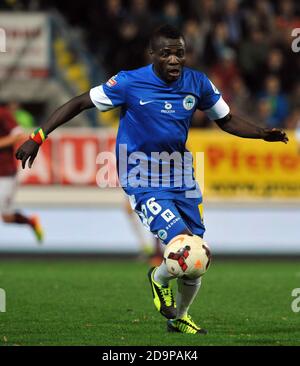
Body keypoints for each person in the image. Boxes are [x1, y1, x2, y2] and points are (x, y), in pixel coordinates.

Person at [15, 25, 288, 334]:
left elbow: (225, 120)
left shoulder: (197, 83)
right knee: (185, 245)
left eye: (180, 53)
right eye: (166, 53)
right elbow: (79, 102)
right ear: (152, 55)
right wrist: (38, 136)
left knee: (198, 255)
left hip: (181, 175)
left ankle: (179, 316)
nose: (174, 60)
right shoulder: (129, 82)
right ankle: (158, 279)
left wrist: (262, 134)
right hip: (141, 175)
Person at [0, 105, 43, 243]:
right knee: (6, 217)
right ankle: (30, 221)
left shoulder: (3, 113)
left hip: (5, 173)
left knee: (6, 217)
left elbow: (19, 135)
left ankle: (31, 222)